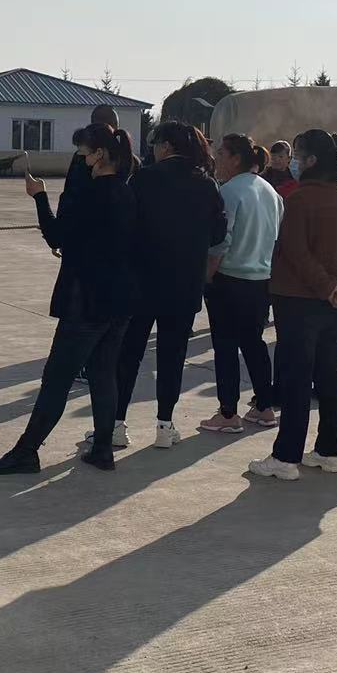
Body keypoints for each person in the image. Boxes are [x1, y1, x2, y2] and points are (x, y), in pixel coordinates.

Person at [0, 123, 136, 474]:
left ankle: (27, 450)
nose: (80, 160)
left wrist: (39, 197)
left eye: (83, 153)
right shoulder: (127, 193)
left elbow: (56, 236)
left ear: (99, 154)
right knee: (103, 374)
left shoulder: (89, 195)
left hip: (86, 300)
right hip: (119, 299)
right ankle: (102, 448)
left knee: (57, 378)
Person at [248, 129, 337, 481]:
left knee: (296, 377)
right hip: (334, 302)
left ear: (312, 160)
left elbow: (296, 252)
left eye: (298, 155)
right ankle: (329, 451)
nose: (294, 161)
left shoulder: (300, 199)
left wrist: (327, 287)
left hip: (298, 300)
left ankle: (286, 456)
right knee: (328, 375)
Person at [111, 121, 226, 451]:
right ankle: (165, 425)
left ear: (166, 146)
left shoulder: (144, 178)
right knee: (172, 356)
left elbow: (125, 224)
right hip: (184, 284)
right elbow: (218, 234)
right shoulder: (206, 184)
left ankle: (116, 424)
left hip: (142, 281)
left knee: (129, 354)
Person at [199, 133, 282, 435]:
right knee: (254, 343)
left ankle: (228, 412)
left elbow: (222, 240)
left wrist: (208, 275)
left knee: (225, 346)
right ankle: (264, 406)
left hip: (230, 279)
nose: (216, 158)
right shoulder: (269, 191)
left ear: (235, 159)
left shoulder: (230, 191)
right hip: (261, 279)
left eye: (221, 153)